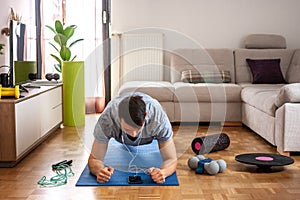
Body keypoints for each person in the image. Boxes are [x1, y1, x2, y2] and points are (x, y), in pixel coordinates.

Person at [88, 92, 177, 184]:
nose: (133, 134)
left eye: (138, 129)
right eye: (128, 129)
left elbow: (171, 159)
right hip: (116, 131)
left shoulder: (158, 119)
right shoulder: (107, 120)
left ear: (146, 115)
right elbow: (95, 159)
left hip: (151, 132)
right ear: (119, 118)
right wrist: (99, 171)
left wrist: (163, 172)